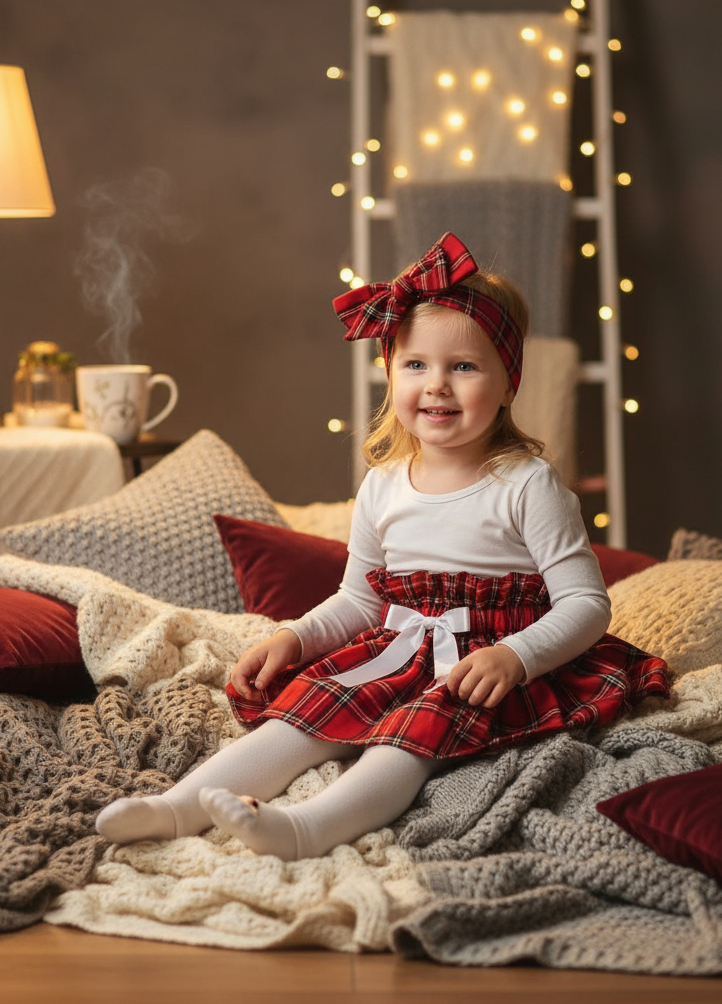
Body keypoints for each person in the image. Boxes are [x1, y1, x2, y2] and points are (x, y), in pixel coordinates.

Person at [96, 232, 669, 859]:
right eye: (416, 365)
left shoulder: (527, 484)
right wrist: (293, 637)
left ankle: (306, 828)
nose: (438, 386)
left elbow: (587, 605)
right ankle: (177, 809)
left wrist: (516, 657)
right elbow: (359, 602)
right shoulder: (383, 486)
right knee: (305, 712)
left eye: (465, 367)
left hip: (488, 668)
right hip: (400, 647)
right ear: (391, 372)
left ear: (509, 384)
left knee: (405, 739)